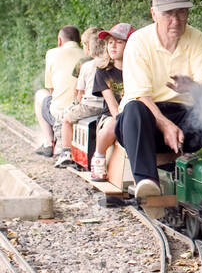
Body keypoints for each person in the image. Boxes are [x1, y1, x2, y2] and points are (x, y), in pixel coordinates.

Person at [114, 0, 202, 201]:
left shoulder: (197, 38)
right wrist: (164, 123)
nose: (175, 20)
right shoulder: (138, 42)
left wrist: (194, 88)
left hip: (185, 123)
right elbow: (141, 94)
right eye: (168, 14)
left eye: (181, 13)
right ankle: (146, 183)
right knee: (134, 108)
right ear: (154, 14)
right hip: (145, 124)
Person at [54, 26, 107, 166]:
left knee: (66, 120)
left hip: (89, 106)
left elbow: (80, 91)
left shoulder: (86, 66)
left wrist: (76, 103)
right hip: (106, 105)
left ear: (89, 46)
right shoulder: (110, 63)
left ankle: (66, 151)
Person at [34, 27, 85, 156]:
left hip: (61, 113)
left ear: (60, 40)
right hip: (82, 110)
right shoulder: (87, 55)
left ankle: (48, 142)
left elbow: (51, 89)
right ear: (79, 40)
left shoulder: (52, 53)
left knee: (40, 94)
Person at [92, 23, 135, 161]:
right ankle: (98, 157)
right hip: (111, 116)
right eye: (110, 42)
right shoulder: (103, 72)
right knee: (113, 124)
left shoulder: (139, 70)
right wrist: (124, 122)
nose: (113, 46)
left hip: (135, 114)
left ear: (130, 45)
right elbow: (113, 107)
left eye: (119, 42)